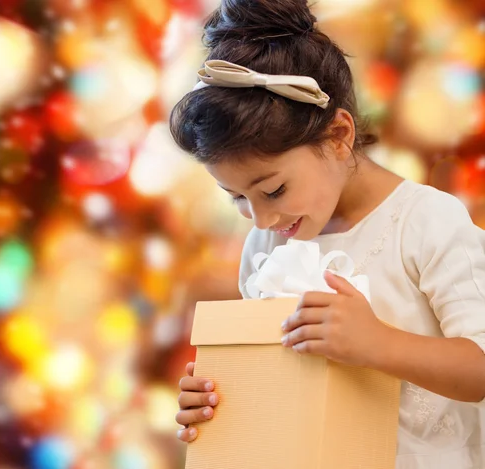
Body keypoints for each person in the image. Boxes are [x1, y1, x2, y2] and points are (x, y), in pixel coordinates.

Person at [169, 0, 485, 467]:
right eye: (236, 197)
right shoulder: (267, 245)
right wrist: (220, 394)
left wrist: (379, 344)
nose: (260, 219)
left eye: (273, 189)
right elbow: (281, 381)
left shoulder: (427, 222)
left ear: (338, 136)